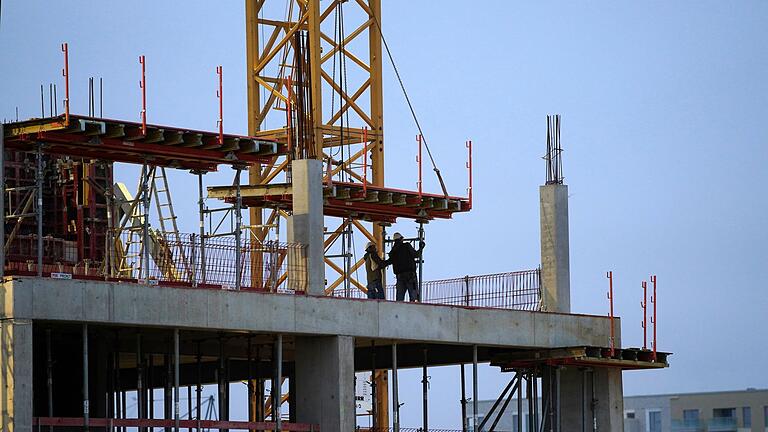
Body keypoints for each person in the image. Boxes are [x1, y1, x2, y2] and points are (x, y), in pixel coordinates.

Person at [386, 232, 425, 302]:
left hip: (400, 277)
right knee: (414, 297)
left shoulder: (393, 252)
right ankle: (414, 310)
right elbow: (416, 255)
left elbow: (388, 262)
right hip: (410, 275)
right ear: (401, 239)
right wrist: (421, 248)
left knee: (399, 299)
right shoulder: (406, 246)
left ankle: (398, 311)